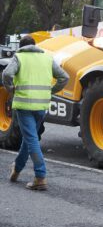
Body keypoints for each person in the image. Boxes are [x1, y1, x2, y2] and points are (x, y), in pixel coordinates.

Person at [3, 35, 69, 190]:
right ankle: (17, 169)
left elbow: (6, 74)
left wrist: (10, 89)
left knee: (31, 139)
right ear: (35, 45)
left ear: (21, 46)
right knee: (29, 138)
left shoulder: (19, 57)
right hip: (42, 106)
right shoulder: (47, 58)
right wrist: (51, 91)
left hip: (24, 105)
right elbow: (64, 77)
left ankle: (40, 176)